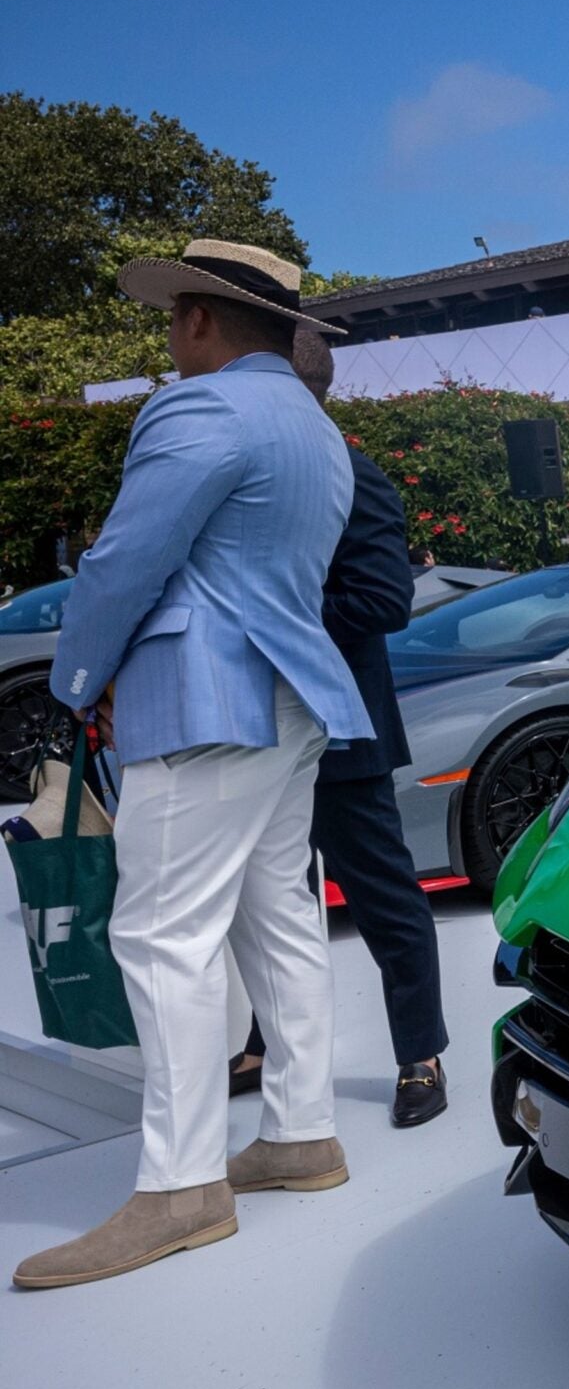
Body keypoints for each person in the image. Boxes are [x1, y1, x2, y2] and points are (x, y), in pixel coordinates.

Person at [15, 240, 372, 1290]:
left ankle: (181, 1188)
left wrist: (77, 680)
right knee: (280, 920)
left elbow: (126, 560)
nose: (169, 333)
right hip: (295, 696)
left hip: (204, 696)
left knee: (163, 935)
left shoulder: (199, 409)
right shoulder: (315, 429)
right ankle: (300, 1133)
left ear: (202, 318)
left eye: (173, 314)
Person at [228, 330, 452, 1129]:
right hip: (257, 724)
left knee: (384, 898)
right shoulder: (260, 472)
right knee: (270, 898)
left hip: (341, 730)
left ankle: (421, 1056)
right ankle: (266, 1045)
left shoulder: (354, 475)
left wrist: (269, 619)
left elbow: (385, 600)